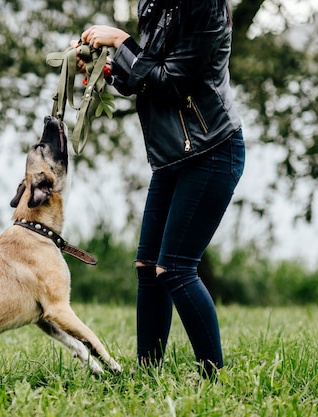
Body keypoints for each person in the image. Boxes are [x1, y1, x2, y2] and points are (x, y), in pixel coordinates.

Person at [72, 0, 244, 378]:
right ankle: (146, 373)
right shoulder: (154, 4)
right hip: (172, 155)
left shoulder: (207, 7)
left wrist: (120, 41)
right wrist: (105, 66)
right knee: (148, 266)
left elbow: (171, 82)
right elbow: (142, 79)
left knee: (176, 268)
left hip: (212, 151)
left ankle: (213, 377)